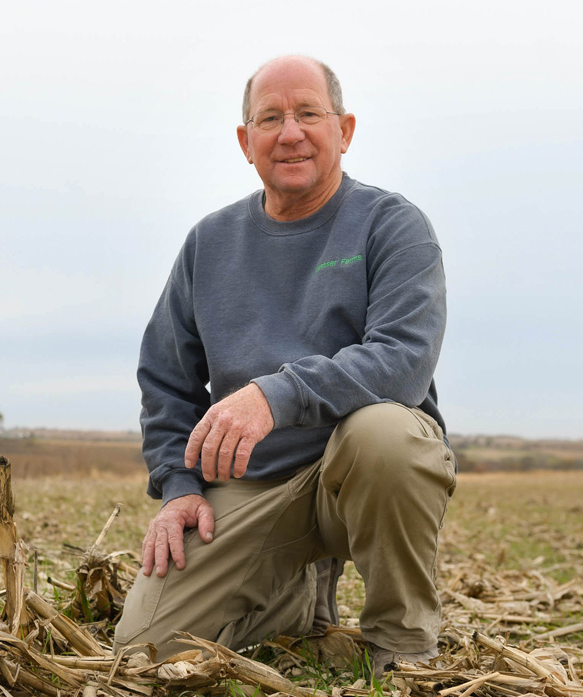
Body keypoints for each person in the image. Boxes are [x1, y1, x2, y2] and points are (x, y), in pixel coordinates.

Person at [114, 55, 456, 674]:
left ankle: (401, 648)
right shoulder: (208, 244)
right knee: (143, 654)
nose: (290, 132)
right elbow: (166, 379)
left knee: (386, 434)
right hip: (253, 483)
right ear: (246, 143)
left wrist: (274, 396)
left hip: (359, 475)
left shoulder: (393, 226)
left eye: (308, 113)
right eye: (269, 118)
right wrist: (180, 487)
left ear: (344, 130)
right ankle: (297, 601)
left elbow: (403, 359)